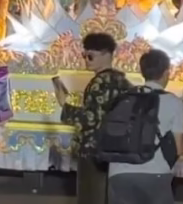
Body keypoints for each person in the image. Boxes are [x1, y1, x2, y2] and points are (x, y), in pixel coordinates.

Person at [55, 33, 133, 204]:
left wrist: (64, 105)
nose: (86, 60)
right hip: (117, 149)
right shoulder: (123, 81)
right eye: (84, 55)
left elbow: (90, 120)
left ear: (106, 54)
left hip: (94, 150)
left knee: (91, 196)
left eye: (90, 56)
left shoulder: (99, 82)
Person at [107, 49, 183, 204]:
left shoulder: (122, 98)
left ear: (142, 71)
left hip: (118, 173)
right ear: (167, 73)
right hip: (155, 174)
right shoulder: (173, 102)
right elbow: (179, 148)